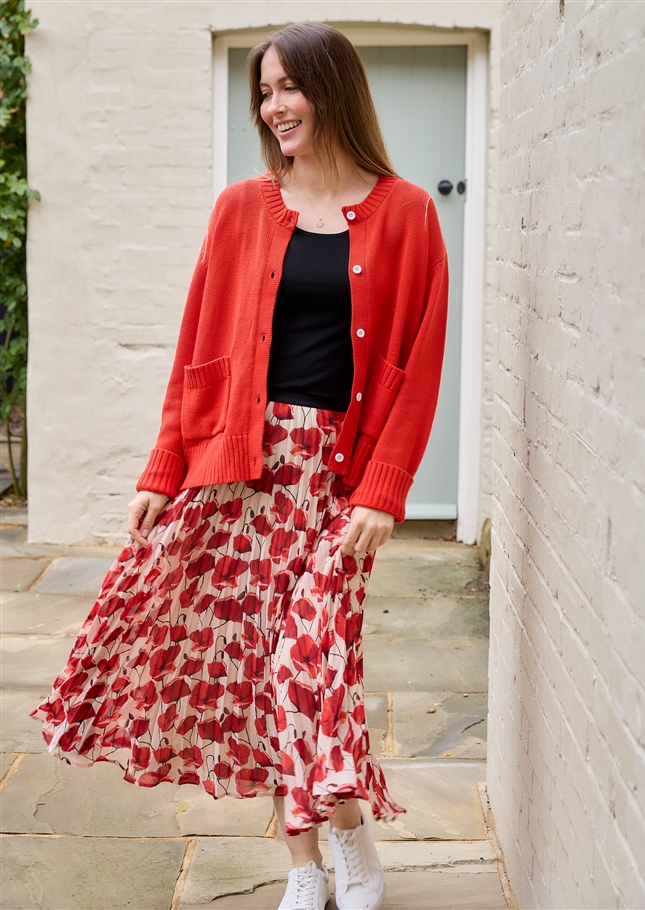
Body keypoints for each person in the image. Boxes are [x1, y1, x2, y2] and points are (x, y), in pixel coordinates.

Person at [31, 22, 448, 910]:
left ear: (332, 88)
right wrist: (162, 467)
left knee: (310, 661)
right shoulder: (239, 209)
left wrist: (384, 488)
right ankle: (307, 863)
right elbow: (197, 348)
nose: (273, 106)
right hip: (239, 469)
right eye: (263, 91)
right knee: (262, 668)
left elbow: (416, 362)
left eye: (289, 86)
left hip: (334, 476)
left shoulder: (409, 212)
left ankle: (348, 836)